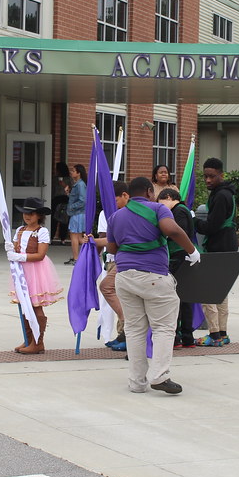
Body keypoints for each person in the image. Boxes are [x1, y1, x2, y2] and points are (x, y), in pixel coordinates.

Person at [106, 177, 200, 395]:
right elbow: (172, 230)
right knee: (163, 327)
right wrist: (192, 251)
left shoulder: (116, 216)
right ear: (150, 191)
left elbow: (112, 247)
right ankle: (159, 376)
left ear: (130, 193)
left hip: (124, 277)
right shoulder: (158, 209)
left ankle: (137, 382)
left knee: (134, 329)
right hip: (154, 276)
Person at [6, 197, 64, 354]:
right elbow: (16, 248)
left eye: (31, 213)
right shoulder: (19, 230)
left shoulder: (42, 232)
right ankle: (28, 339)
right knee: (24, 306)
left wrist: (20, 257)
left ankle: (38, 342)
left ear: (39, 215)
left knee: (35, 305)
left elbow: (40, 255)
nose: (27, 216)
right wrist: (11, 250)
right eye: (25, 213)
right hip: (21, 271)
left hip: (36, 272)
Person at [194, 157, 237, 346]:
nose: (208, 180)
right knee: (221, 291)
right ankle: (223, 333)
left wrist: (194, 222)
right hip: (229, 244)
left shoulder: (220, 196)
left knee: (208, 291)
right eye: (205, 176)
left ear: (221, 175)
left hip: (219, 246)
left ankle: (214, 335)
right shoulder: (228, 193)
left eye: (212, 176)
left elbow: (212, 226)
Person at [156, 187, 198, 348]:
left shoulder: (178, 211)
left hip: (178, 256)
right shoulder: (184, 210)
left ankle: (177, 337)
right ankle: (187, 336)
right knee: (184, 297)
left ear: (168, 197)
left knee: (175, 298)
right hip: (185, 256)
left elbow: (177, 233)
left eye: (161, 204)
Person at [91, 181, 130, 351]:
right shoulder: (104, 214)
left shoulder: (131, 213)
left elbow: (114, 240)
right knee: (118, 295)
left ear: (125, 196)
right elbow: (105, 237)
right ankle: (123, 334)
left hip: (127, 259)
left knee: (113, 290)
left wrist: (92, 241)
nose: (111, 204)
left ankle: (128, 332)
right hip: (113, 259)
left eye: (114, 200)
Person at [65, 163, 88, 265]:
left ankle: (76, 258)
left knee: (74, 236)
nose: (71, 172)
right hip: (78, 213)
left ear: (78, 173)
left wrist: (71, 207)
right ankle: (82, 256)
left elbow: (83, 200)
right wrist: (68, 194)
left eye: (73, 171)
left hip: (77, 213)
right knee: (79, 238)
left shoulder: (80, 184)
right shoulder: (78, 184)